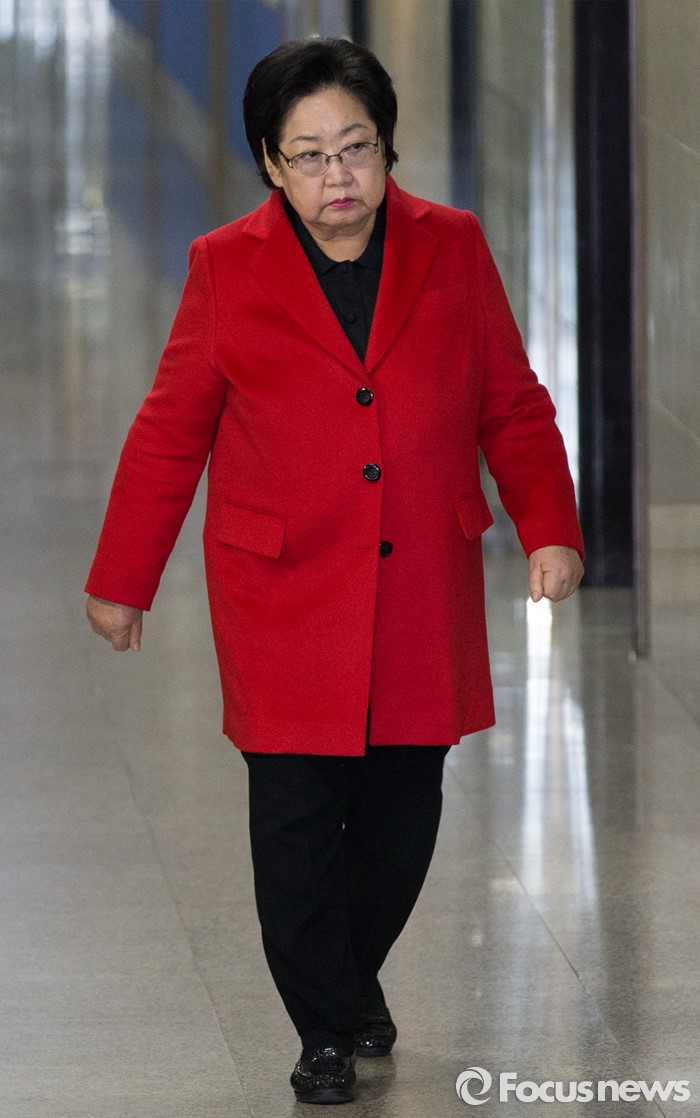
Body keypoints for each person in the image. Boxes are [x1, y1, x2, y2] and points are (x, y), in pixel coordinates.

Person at [85, 37, 584, 1106]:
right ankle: (324, 1027)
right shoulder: (225, 265)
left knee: (402, 819)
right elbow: (171, 433)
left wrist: (550, 525)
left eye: (355, 148)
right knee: (297, 823)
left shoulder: (452, 246)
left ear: (387, 147)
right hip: (282, 593)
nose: (337, 176)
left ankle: (350, 978)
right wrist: (124, 578)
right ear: (271, 164)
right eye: (308, 156)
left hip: (417, 588)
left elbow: (509, 400)